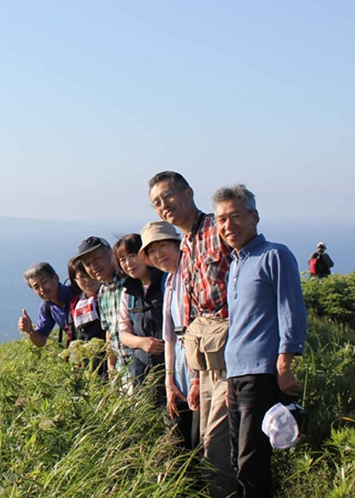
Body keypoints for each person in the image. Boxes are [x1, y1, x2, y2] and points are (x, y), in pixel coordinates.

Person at [213, 185, 307, 497]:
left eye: (235, 216)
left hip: (261, 372)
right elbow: (239, 325)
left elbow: (291, 308)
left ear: (254, 216)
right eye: (221, 220)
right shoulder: (237, 264)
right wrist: (229, 379)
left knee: (252, 459)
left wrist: (285, 362)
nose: (228, 226)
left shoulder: (274, 255)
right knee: (238, 459)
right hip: (237, 375)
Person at [148, 171, 237, 498]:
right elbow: (196, 315)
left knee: (218, 446)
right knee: (210, 444)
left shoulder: (219, 228)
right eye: (156, 202)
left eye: (168, 196)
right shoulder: (187, 244)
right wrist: (197, 378)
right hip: (207, 359)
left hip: (233, 353)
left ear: (188, 192)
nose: (163, 205)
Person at [139, 220, 200, 450]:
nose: (158, 254)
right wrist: (169, 378)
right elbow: (170, 338)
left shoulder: (191, 275)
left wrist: (195, 378)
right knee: (181, 442)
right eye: (151, 251)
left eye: (162, 245)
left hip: (198, 370)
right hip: (180, 373)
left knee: (200, 440)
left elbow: (195, 328)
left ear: (177, 244)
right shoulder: (171, 281)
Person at [72, 236, 131, 385]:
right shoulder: (103, 291)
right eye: (88, 264)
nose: (94, 266)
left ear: (111, 254)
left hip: (142, 367)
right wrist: (111, 367)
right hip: (122, 372)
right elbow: (109, 333)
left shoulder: (130, 282)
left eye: (97, 259)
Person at [113, 234, 166, 388]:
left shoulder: (166, 282)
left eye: (132, 256)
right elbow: (123, 332)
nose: (128, 263)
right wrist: (142, 343)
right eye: (122, 260)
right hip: (141, 372)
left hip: (171, 367)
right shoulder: (127, 292)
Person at [18, 262, 75, 348]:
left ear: (56, 278)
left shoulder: (76, 292)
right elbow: (40, 342)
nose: (42, 289)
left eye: (44, 282)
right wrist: (29, 330)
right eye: (36, 287)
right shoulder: (47, 307)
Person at [66, 260, 104, 343]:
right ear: (75, 280)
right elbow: (73, 335)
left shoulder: (109, 294)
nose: (87, 280)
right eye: (82, 277)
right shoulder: (75, 303)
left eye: (89, 274)